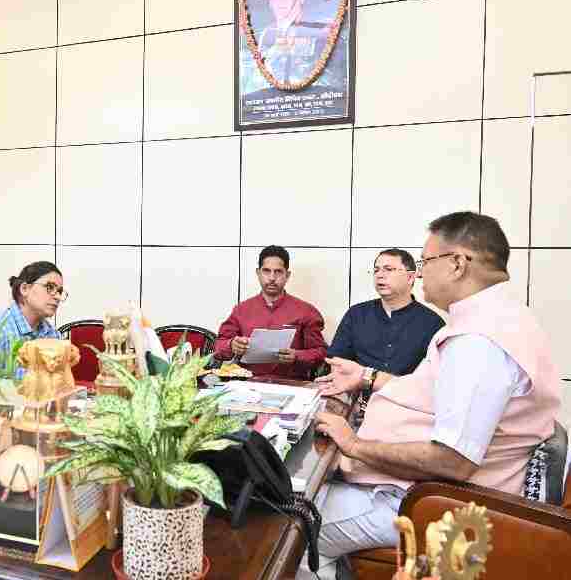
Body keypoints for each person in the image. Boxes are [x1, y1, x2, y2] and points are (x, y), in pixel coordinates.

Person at [299, 212, 560, 580]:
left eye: (425, 262)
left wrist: (354, 445)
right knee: (307, 495)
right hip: (420, 487)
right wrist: (366, 377)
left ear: (457, 263)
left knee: (294, 525)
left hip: (434, 502)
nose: (420, 274)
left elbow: (453, 461)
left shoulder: (477, 342)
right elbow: (433, 393)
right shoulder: (499, 316)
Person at [241, 0, 350, 123]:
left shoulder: (324, 34)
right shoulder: (262, 38)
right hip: (264, 118)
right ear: (270, 1)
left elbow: (336, 91)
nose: (281, 0)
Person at [215, 245, 327, 379]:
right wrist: (232, 345)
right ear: (258, 273)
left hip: (292, 384)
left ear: (287, 275)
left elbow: (321, 352)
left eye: (278, 272)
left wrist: (297, 356)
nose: (272, 278)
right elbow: (219, 346)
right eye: (266, 271)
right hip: (247, 383)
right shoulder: (241, 310)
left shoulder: (306, 311)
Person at [327, 248, 444, 376]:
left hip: (408, 389)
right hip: (357, 388)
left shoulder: (432, 323)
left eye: (388, 269)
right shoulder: (356, 314)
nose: (380, 275)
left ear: (410, 277)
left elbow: (437, 376)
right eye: (376, 270)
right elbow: (337, 362)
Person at [0, 261, 67, 379]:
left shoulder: (51, 333)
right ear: (24, 288)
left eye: (59, 291)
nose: (57, 297)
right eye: (50, 287)